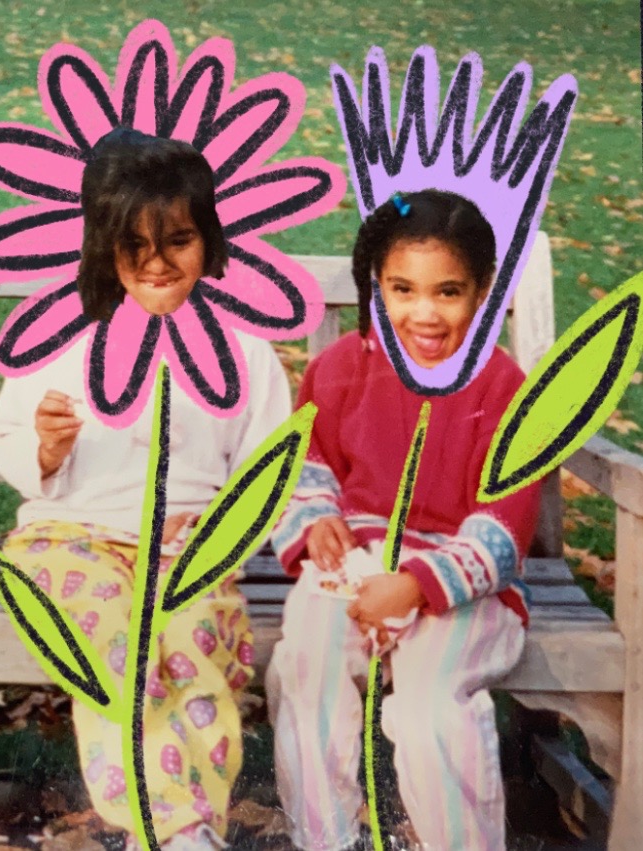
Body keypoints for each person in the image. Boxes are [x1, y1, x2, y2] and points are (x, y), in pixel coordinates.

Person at [0, 128, 292, 851]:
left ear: (208, 239)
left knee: (195, 645)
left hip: (188, 550)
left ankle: (184, 830)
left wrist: (217, 527)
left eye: (178, 241)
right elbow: (7, 438)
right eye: (133, 245)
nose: (156, 263)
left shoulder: (240, 349)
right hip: (71, 540)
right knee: (114, 644)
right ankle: (173, 826)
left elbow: (267, 469)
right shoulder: (62, 335)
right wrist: (46, 447)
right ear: (100, 243)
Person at [266, 189, 542, 851]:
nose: (424, 312)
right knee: (305, 665)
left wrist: (417, 584)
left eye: (447, 291)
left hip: (461, 587)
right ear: (377, 286)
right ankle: (326, 839)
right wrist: (316, 520)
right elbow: (305, 464)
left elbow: (503, 526)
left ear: (481, 291)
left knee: (428, 711)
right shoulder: (340, 368)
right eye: (402, 289)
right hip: (354, 574)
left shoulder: (501, 387)